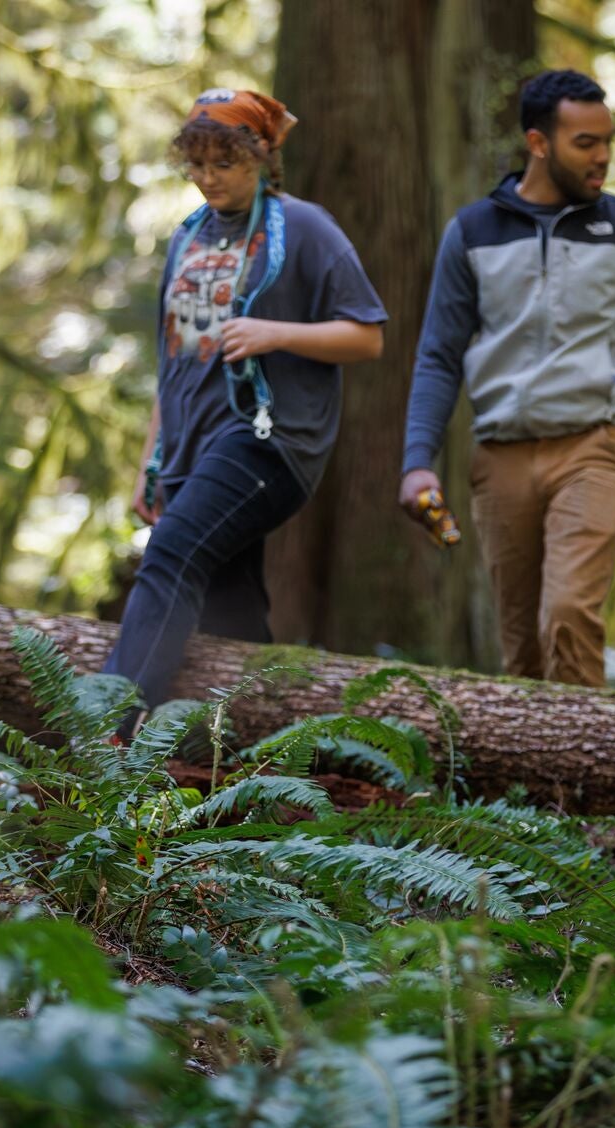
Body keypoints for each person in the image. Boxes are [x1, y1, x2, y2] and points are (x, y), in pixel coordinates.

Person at [398, 68, 615, 688]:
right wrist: (418, 461)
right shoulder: (472, 233)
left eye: (607, 141)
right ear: (539, 143)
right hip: (501, 456)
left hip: (595, 448)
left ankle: (582, 779)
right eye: (584, 143)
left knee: (567, 614)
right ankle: (529, 783)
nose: (603, 157)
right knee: (520, 642)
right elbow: (438, 355)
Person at [106, 88, 386, 728]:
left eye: (223, 164)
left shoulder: (306, 227)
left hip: (268, 440)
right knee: (230, 614)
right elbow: (173, 358)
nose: (208, 179)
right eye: (197, 164)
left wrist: (275, 332)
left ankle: (103, 737)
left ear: (260, 157)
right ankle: (261, 767)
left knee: (168, 554)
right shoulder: (187, 238)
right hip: (189, 449)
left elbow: (368, 335)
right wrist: (152, 461)